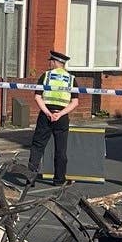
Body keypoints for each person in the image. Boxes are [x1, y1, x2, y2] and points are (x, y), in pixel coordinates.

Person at [26, 50, 76, 184]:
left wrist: (48, 113)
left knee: (37, 146)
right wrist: (60, 114)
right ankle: (59, 180)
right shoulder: (71, 79)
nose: (49, 64)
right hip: (62, 117)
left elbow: (37, 97)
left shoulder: (46, 76)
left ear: (55, 62)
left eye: (51, 62)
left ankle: (30, 179)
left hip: (45, 115)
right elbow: (75, 102)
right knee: (61, 149)